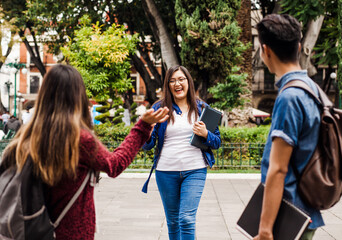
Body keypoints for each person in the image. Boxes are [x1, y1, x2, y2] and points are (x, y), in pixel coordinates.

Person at [0, 64, 169, 240]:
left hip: (36, 230)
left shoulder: (27, 135)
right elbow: (114, 165)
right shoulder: (78, 139)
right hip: (72, 233)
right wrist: (141, 127)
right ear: (78, 96)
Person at [254, 14, 324, 240]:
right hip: (305, 210)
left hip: (289, 216)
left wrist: (265, 229)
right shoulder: (310, 88)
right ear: (299, 46)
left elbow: (278, 169)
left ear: (266, 51)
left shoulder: (290, 97)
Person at [142, 65, 221, 240]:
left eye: (181, 79)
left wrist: (206, 134)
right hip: (165, 171)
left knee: (186, 219)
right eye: (172, 80)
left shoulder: (201, 108)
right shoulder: (159, 108)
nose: (177, 83)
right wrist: (146, 133)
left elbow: (217, 142)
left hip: (195, 170)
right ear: (168, 85)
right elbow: (147, 146)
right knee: (173, 221)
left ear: (188, 82)